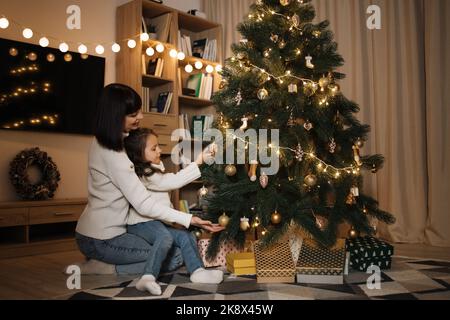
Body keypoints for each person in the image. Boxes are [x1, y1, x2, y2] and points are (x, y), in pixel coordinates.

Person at [74, 83, 217, 283]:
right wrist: (189, 219)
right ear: (115, 116)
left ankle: (105, 262)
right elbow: (144, 203)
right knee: (174, 255)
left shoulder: (107, 141)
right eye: (133, 114)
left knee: (172, 244)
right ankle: (106, 267)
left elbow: (165, 181)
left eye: (139, 111)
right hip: (102, 239)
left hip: (102, 232)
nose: (140, 117)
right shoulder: (114, 155)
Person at [124, 128, 224, 295]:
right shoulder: (143, 175)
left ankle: (197, 272)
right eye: (154, 148)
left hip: (157, 221)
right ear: (138, 154)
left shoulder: (154, 170)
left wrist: (200, 160)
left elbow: (168, 187)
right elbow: (173, 181)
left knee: (186, 235)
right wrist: (198, 161)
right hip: (141, 223)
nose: (160, 150)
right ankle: (148, 277)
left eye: (158, 147)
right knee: (165, 236)